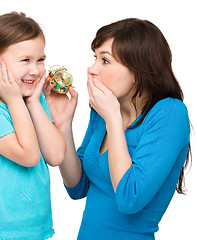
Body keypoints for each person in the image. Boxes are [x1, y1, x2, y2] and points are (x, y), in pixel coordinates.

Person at [44, 18, 191, 240]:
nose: (92, 69)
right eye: (95, 58)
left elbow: (129, 198)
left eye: (105, 60)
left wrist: (112, 118)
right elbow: (77, 186)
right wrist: (64, 125)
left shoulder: (170, 113)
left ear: (138, 70)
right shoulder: (104, 111)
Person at [0, 12, 66, 239]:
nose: (36, 70)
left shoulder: (31, 101)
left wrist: (34, 104)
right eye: (25, 60)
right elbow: (29, 156)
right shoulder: (10, 105)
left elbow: (56, 156)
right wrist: (15, 100)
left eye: (40, 60)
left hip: (37, 229)